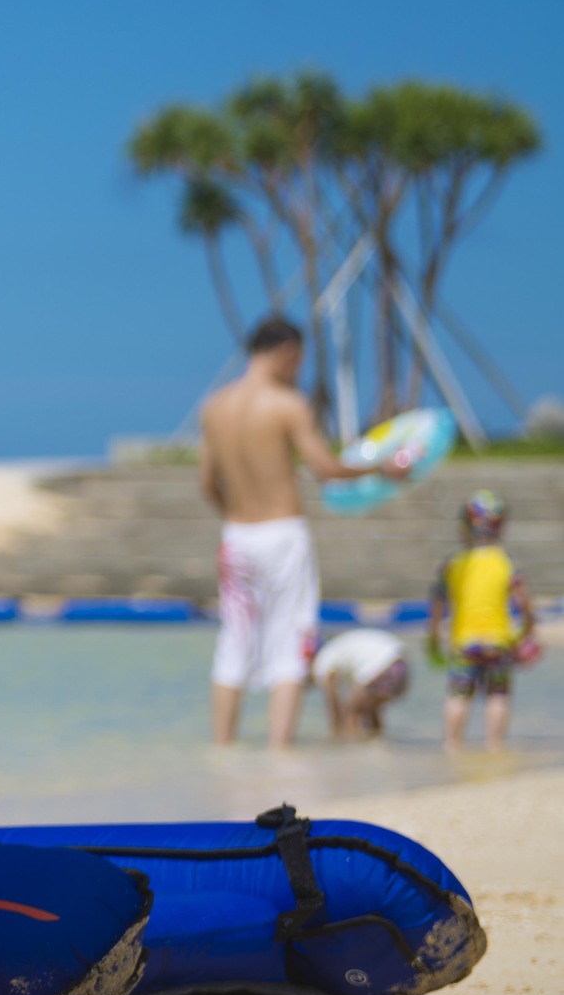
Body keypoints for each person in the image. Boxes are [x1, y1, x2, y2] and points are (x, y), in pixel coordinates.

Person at [197, 316, 388, 750]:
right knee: (289, 643)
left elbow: (207, 481)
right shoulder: (286, 404)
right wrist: (383, 467)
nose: (298, 369)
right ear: (286, 352)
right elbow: (326, 467)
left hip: (237, 537)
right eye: (298, 360)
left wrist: (233, 517)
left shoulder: (215, 406)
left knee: (233, 645)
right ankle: (279, 753)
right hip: (282, 534)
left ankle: (222, 750)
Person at [432, 489, 537, 753]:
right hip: (499, 640)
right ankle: (495, 745)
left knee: (458, 695)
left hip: (464, 642)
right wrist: (528, 627)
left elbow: (438, 600)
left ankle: (452, 745)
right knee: (497, 694)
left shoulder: (454, 564)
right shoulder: (504, 562)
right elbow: (523, 600)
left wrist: (434, 634)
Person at [311, 625, 411, 741]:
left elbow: (332, 697)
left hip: (381, 666)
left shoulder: (321, 660)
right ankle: (377, 746)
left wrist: (336, 728)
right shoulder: (335, 647)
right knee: (371, 709)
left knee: (351, 714)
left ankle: (352, 753)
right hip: (400, 666)